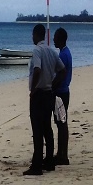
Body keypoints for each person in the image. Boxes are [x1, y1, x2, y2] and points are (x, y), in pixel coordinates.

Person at [24, 24, 67, 176]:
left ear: (36, 35)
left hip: (40, 94)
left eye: (33, 35)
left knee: (37, 129)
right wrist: (54, 84)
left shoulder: (37, 50)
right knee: (47, 128)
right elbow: (62, 70)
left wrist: (34, 89)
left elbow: (37, 69)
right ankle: (49, 161)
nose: (32, 38)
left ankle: (37, 165)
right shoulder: (51, 51)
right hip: (49, 93)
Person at [53, 27, 72, 165]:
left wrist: (52, 87)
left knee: (61, 123)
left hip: (61, 92)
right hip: (63, 91)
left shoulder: (64, 55)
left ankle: (63, 156)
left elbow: (62, 73)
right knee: (61, 123)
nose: (53, 39)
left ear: (60, 39)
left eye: (55, 37)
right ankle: (61, 153)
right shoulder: (64, 52)